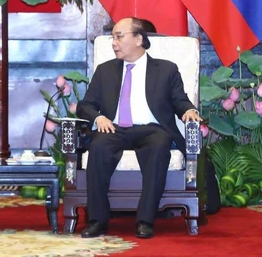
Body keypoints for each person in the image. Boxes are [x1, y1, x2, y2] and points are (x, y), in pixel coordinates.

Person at [77, 17, 201, 239]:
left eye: (119, 36)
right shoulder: (105, 70)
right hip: (114, 129)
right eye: (113, 37)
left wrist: (189, 111)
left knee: (159, 145)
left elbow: (180, 100)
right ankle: (97, 220)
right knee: (98, 147)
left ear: (138, 39)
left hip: (152, 130)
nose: (114, 42)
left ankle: (145, 220)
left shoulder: (165, 69)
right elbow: (85, 106)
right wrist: (99, 118)